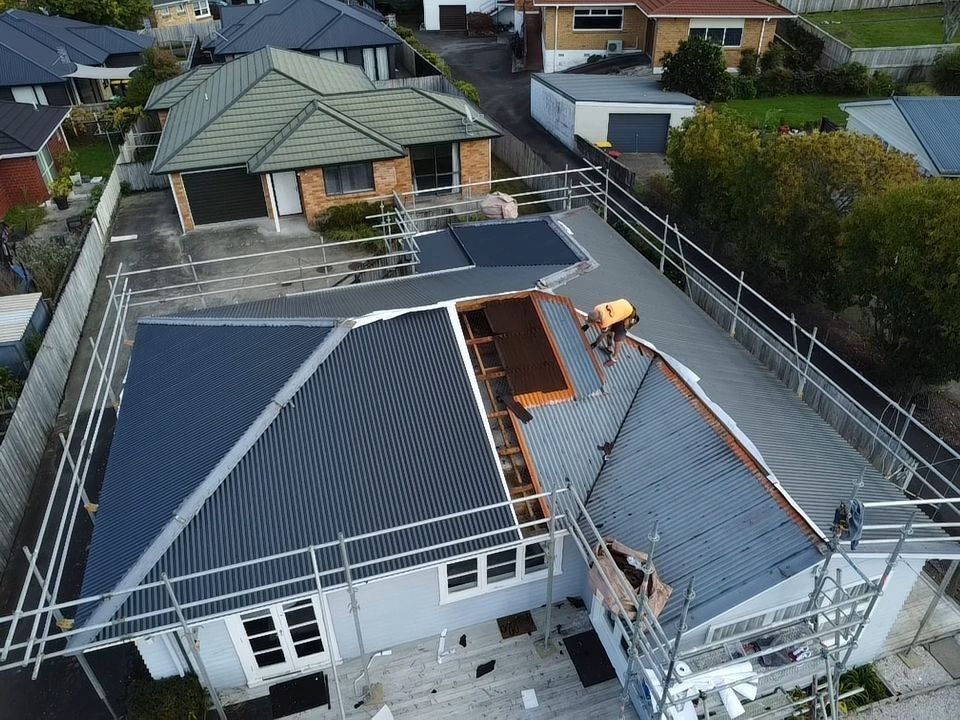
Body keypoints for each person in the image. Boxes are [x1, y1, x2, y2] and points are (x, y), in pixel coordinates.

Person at [582, 299, 638, 367]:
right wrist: (587, 325)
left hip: (628, 315)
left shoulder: (606, 321)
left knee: (618, 337)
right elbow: (593, 318)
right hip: (623, 304)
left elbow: (603, 334)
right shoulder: (597, 307)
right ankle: (609, 348)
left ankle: (614, 358)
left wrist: (595, 343)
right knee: (610, 329)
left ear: (597, 319)